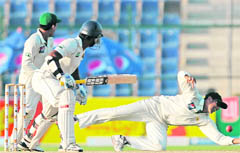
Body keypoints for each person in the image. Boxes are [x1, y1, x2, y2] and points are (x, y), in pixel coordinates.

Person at [75, 70, 240, 151]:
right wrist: (187, 76)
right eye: (216, 105)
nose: (215, 110)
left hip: (160, 122)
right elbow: (180, 74)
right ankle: (78, 118)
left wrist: (236, 141)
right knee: (115, 113)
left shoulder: (205, 121)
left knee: (159, 147)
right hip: (153, 106)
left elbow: (219, 139)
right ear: (209, 99)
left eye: (218, 109)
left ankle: (124, 139)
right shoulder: (194, 94)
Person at [18, 20, 103, 152]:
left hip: (52, 81)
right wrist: (61, 76)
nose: (97, 41)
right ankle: (67, 144)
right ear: (88, 37)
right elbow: (51, 58)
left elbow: (73, 69)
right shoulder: (72, 43)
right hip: (44, 77)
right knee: (67, 96)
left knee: (49, 114)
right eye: (96, 38)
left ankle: (27, 143)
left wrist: (79, 87)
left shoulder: (81, 51)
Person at [11, 12, 61, 151]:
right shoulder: (33, 40)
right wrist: (41, 73)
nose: (55, 29)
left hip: (43, 80)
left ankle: (32, 143)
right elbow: (26, 64)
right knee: (28, 112)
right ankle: (15, 143)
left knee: (50, 110)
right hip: (30, 81)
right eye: (55, 26)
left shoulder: (49, 41)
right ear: (52, 26)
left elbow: (48, 61)